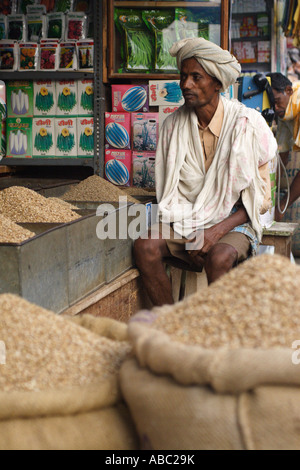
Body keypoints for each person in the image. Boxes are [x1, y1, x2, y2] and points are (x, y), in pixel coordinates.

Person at [134, 37, 278, 307]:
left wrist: (213, 232)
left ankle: (219, 336)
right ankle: (171, 327)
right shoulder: (172, 127)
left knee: (219, 258)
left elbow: (261, 199)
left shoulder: (248, 125)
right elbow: (169, 193)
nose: (186, 85)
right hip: (186, 219)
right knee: (145, 247)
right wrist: (193, 229)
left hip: (234, 222)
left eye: (196, 77)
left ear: (217, 83)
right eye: (183, 76)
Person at [266, 73, 300, 221]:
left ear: (288, 90)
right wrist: (267, 191)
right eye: (271, 104)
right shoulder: (287, 112)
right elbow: (282, 156)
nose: (275, 107)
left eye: (277, 101)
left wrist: (282, 206)